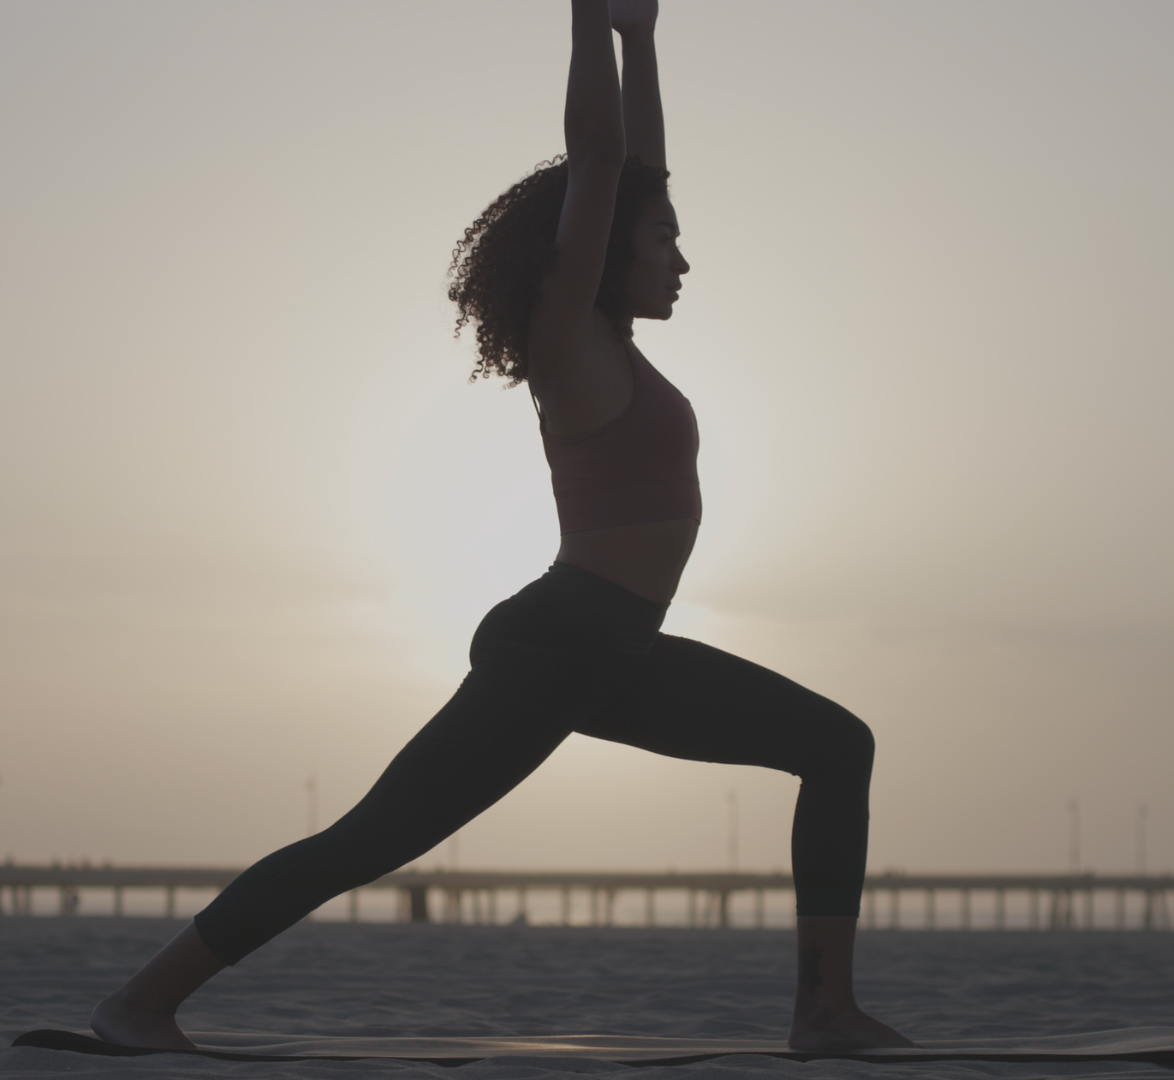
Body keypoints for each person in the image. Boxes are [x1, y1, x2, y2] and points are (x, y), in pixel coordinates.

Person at [90, 0, 914, 1053]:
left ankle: (824, 1011)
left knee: (836, 745)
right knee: (369, 841)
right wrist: (585, 20)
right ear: (606, 250)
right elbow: (603, 161)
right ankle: (140, 1003)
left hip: (615, 648)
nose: (684, 260)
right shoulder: (572, 340)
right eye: (665, 241)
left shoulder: (615, 339)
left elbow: (636, 170)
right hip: (560, 643)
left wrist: (643, 40)